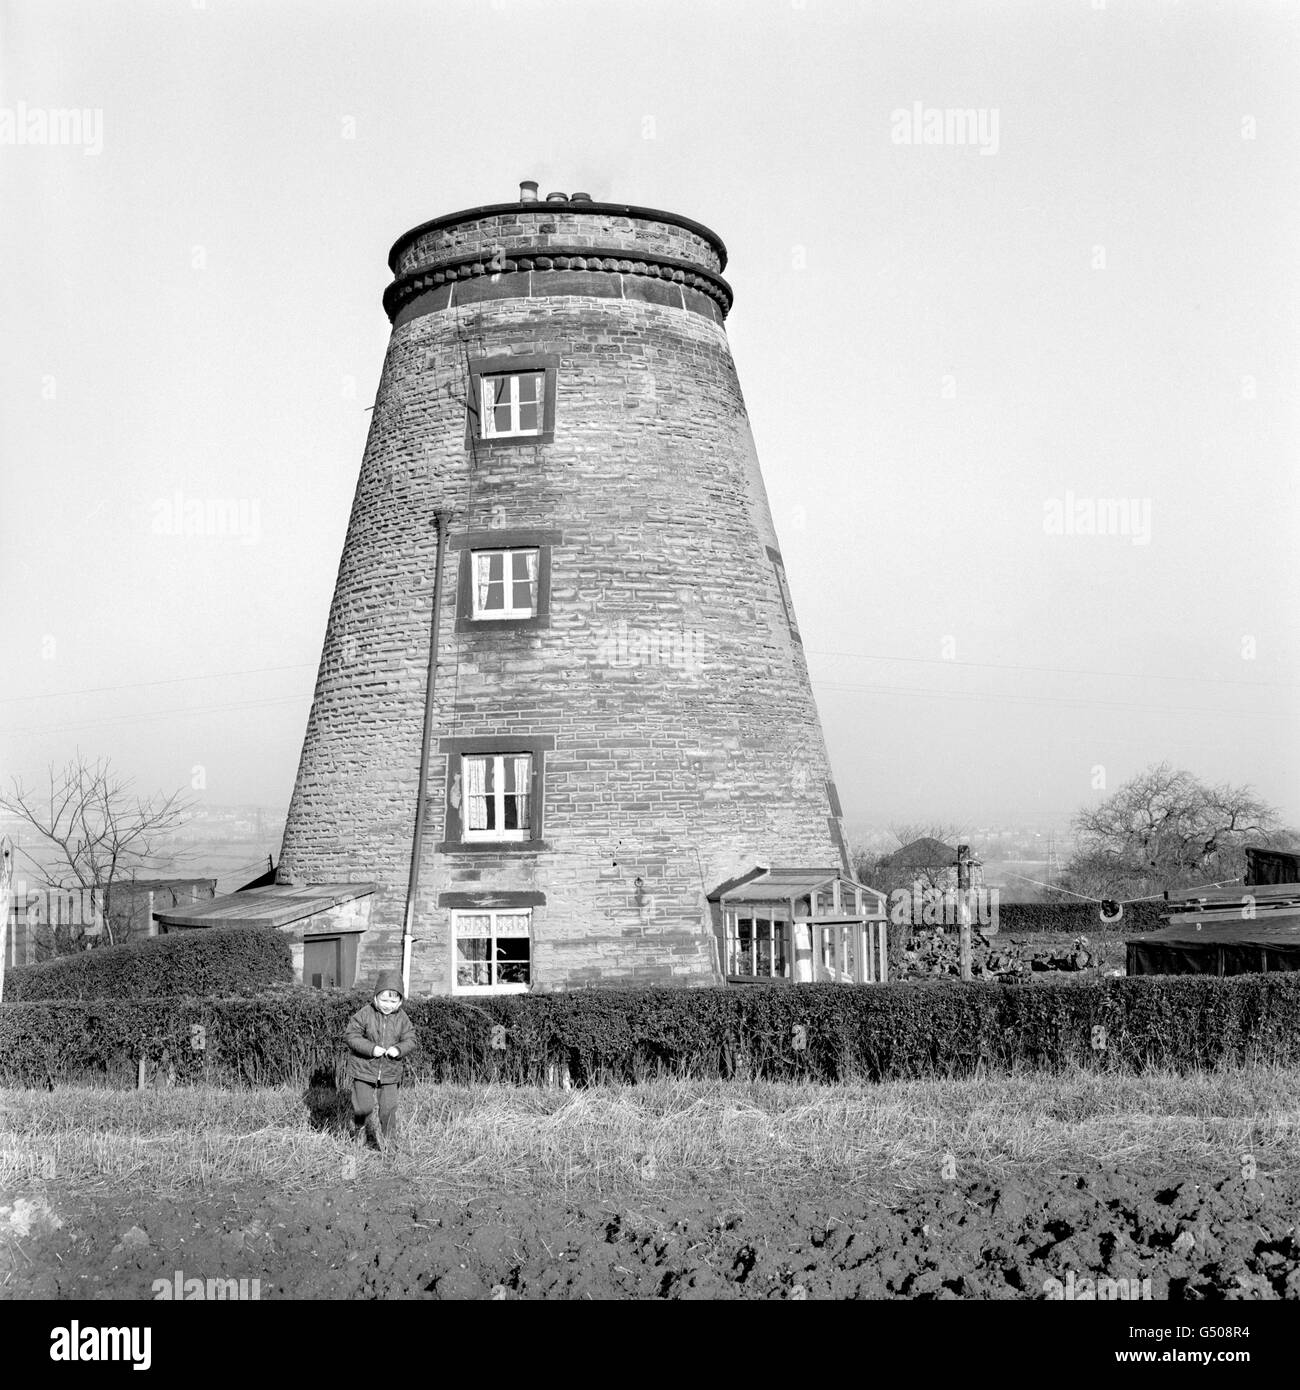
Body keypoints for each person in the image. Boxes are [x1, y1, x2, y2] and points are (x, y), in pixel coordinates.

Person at [344, 969, 416, 1151]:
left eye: (393, 1001)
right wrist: (371, 1049)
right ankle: (359, 1131)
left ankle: (389, 1145)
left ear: (400, 1001)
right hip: (363, 1069)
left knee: (388, 1109)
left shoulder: (402, 1018)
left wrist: (398, 1049)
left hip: (390, 1072)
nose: (388, 1005)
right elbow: (351, 1036)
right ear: (375, 997)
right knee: (363, 1107)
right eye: (384, 1000)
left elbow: (411, 1040)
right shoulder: (365, 1013)